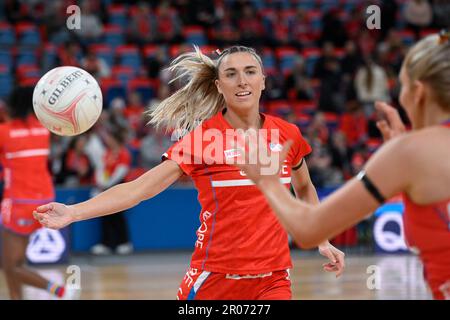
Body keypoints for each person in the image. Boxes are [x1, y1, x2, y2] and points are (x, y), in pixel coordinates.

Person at [33, 45, 345, 300]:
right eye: (231, 74)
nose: (242, 81)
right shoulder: (203, 140)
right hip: (214, 282)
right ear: (218, 85)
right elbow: (139, 189)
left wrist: (322, 239)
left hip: (273, 280)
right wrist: (73, 212)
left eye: (250, 72)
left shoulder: (286, 134)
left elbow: (304, 188)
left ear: (263, 80)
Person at [230, 32, 450, 300]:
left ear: (418, 92)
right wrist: (405, 173)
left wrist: (267, 181)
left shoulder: (408, 154)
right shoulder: (411, 154)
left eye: (401, 87)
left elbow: (308, 230)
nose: (399, 97)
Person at [0, 87, 78, 300]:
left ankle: (60, 291)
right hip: (44, 201)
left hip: (18, 201)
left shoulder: (4, 132)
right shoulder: (43, 130)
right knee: (12, 263)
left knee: (11, 265)